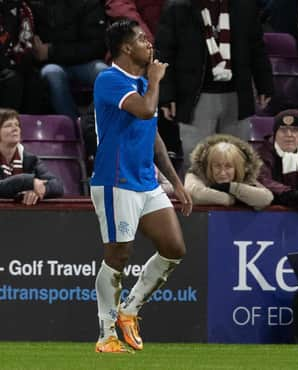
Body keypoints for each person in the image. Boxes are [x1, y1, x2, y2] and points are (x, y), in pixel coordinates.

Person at [92, 19, 192, 353]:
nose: (149, 44)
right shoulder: (109, 80)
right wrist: (154, 80)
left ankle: (129, 310)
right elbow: (148, 109)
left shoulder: (139, 82)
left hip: (146, 182)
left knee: (174, 248)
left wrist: (176, 183)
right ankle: (106, 334)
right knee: (118, 254)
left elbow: (154, 137)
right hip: (115, 181)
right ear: (125, 47)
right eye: (141, 39)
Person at [155, 0, 274, 172]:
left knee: (237, 163)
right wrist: (167, 96)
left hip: (237, 95)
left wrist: (264, 84)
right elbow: (164, 53)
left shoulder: (245, 6)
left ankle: (231, 196)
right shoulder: (178, 7)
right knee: (196, 165)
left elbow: (256, 47)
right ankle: (201, 197)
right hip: (194, 97)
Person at [28, 0, 109, 120]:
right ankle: (73, 125)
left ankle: (100, 123)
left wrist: (51, 51)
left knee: (104, 73)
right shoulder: (33, 5)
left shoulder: (88, 3)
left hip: (85, 62)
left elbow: (96, 46)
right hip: (52, 64)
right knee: (51, 73)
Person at [185, 134, 273, 208]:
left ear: (238, 168)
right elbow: (195, 195)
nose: (222, 172)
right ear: (209, 166)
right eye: (217, 166)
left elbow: (266, 198)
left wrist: (232, 187)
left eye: (228, 166)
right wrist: (231, 199)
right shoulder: (196, 173)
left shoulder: (246, 175)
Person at [0, 108, 63, 203]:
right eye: (8, 125)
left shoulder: (31, 160)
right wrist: (30, 182)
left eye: (17, 125)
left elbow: (57, 186)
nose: (15, 129)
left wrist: (38, 190)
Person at [0, 0, 45, 113]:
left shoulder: (24, 8)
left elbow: (28, 42)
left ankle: (27, 127)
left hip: (16, 63)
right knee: (12, 80)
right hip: (5, 66)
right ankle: (6, 125)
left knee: (34, 79)